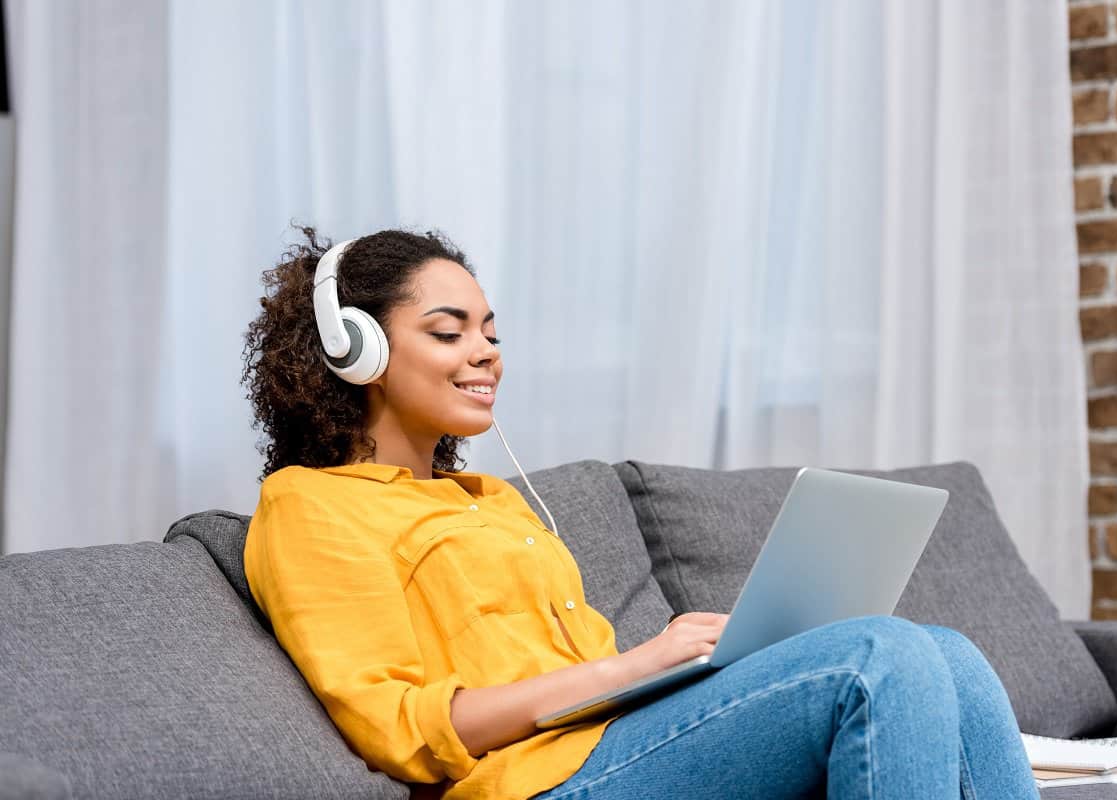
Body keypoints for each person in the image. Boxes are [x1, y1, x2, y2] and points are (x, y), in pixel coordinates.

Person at [240, 226, 1039, 800]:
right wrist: (637, 664)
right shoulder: (311, 507)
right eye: (449, 333)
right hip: (534, 784)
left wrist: (694, 667)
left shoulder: (490, 498)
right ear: (357, 351)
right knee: (880, 653)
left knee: (948, 654)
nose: (486, 353)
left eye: (490, 332)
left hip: (620, 742)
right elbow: (400, 727)